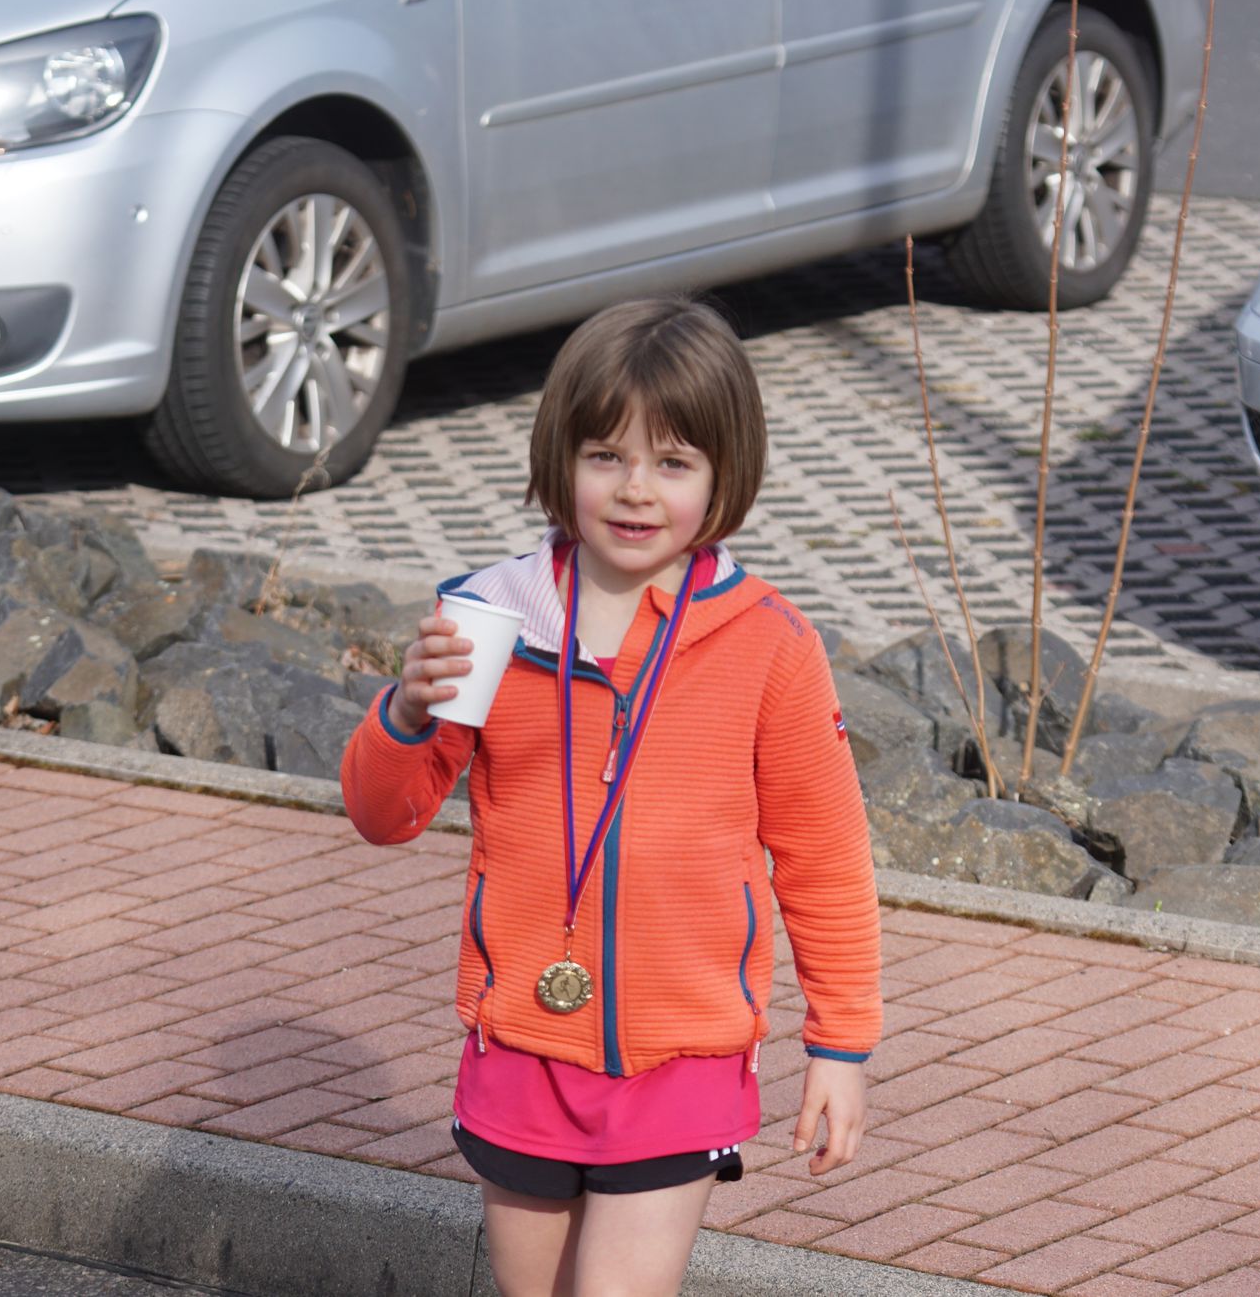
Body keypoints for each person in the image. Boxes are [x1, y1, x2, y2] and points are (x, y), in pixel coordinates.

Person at [340, 297, 880, 1297]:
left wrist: (839, 1043)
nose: (635, 490)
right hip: (520, 1042)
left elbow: (826, 859)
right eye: (605, 456)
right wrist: (405, 713)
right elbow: (384, 815)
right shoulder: (490, 619)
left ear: (724, 474)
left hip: (681, 1057)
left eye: (672, 462)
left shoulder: (771, 644)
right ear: (560, 459)